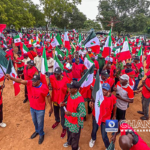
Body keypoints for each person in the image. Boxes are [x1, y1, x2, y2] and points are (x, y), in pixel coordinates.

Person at [6, 74, 53, 144]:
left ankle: (41, 134)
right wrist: (11, 78)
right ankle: (37, 131)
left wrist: (51, 107)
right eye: (32, 81)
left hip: (40, 109)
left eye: (34, 81)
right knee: (35, 121)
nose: (32, 82)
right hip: (32, 108)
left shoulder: (44, 87)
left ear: (38, 81)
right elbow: (21, 80)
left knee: (40, 123)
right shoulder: (30, 83)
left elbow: (48, 97)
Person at [89, 83, 116, 149]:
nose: (104, 91)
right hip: (96, 117)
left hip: (106, 118)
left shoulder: (112, 97)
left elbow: (115, 106)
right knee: (94, 130)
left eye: (105, 90)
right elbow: (93, 97)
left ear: (109, 90)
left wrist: (114, 115)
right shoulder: (98, 94)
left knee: (104, 135)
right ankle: (93, 139)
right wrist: (91, 101)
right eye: (103, 89)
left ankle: (108, 146)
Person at [62, 80, 86, 150]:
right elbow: (69, 101)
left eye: (70, 88)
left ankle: (75, 148)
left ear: (75, 89)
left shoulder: (80, 100)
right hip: (69, 119)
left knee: (74, 137)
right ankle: (69, 142)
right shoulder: (70, 94)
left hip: (75, 122)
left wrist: (71, 114)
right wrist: (64, 103)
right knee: (69, 132)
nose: (69, 89)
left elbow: (83, 114)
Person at [50, 67, 70, 138]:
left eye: (57, 74)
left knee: (63, 115)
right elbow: (49, 84)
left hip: (62, 102)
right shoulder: (52, 78)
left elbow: (69, 93)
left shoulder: (65, 80)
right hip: (55, 100)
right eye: (54, 73)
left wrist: (64, 101)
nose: (55, 75)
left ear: (61, 74)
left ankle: (64, 127)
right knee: (56, 112)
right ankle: (57, 121)